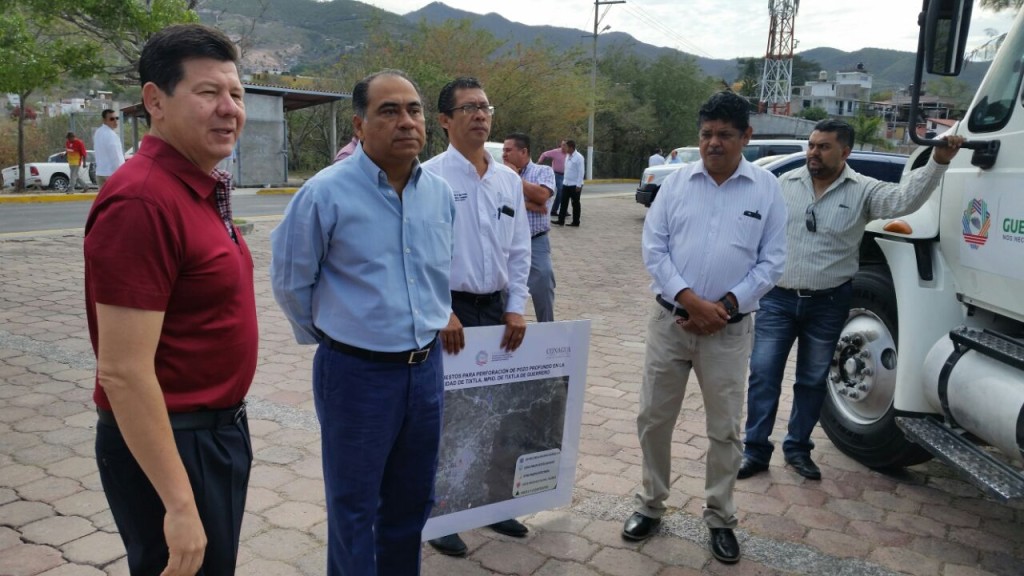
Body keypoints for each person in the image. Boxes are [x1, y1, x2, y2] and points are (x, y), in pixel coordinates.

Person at [83, 23, 255, 576]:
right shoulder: (143, 200)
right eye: (208, 93)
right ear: (154, 101)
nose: (229, 108)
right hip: (175, 445)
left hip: (214, 434)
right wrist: (180, 504)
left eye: (236, 94)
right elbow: (123, 371)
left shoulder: (198, 184)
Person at [271, 69, 455, 576]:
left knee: (413, 502)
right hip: (357, 375)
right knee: (353, 508)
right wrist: (336, 337)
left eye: (414, 110)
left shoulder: (438, 194)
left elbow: (436, 277)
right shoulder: (324, 194)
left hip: (426, 372)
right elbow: (291, 280)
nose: (406, 121)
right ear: (359, 125)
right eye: (389, 111)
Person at [739, 119, 965, 482]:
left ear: (845, 152)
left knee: (812, 380)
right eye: (811, 145)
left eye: (823, 146)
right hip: (778, 300)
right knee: (764, 375)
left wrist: (938, 160)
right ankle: (754, 450)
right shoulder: (784, 184)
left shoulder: (863, 190)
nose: (813, 152)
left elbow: (904, 199)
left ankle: (797, 448)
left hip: (828, 304)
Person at [621, 91, 787, 565]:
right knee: (653, 417)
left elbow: (773, 262)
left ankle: (720, 516)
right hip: (671, 321)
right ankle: (651, 505)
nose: (714, 143)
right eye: (707, 134)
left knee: (724, 430)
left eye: (725, 135)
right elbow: (654, 247)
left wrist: (727, 306)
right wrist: (691, 300)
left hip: (729, 330)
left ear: (746, 138)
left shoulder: (766, 189)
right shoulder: (676, 184)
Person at [423, 76, 531, 558]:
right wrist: (440, 309)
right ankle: (439, 513)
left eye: (484, 106)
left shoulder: (507, 178)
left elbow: (520, 250)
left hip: (495, 309)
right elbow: (418, 254)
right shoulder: (429, 178)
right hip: (449, 313)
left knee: (494, 407)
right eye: (467, 108)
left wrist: (515, 306)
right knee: (446, 415)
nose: (479, 115)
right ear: (445, 120)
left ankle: (490, 505)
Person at [503, 132, 556, 322]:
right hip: (507, 243)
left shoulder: (543, 172)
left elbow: (542, 196)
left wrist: (516, 178)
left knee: (544, 284)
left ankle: (547, 332)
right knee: (504, 291)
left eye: (508, 150)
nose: (504, 155)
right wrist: (530, 204)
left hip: (536, 242)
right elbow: (500, 204)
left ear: (523, 151)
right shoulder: (500, 174)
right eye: (503, 150)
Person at [552, 139, 584, 227]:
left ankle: (576, 222)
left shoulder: (579, 157)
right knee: (563, 202)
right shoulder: (567, 156)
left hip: (575, 185)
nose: (564, 148)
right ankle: (561, 220)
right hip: (566, 183)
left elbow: (581, 172)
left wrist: (578, 185)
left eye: (566, 147)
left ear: (571, 147)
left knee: (575, 203)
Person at [93, 109, 126, 189]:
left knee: (104, 200)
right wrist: (122, 173)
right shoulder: (112, 135)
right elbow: (116, 156)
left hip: (100, 172)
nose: (115, 121)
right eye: (111, 119)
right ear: (104, 120)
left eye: (116, 118)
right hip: (112, 174)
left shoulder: (98, 132)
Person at [538, 139, 567, 217]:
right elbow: (544, 154)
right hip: (557, 174)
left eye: (565, 145)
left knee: (566, 192)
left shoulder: (571, 154)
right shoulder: (556, 152)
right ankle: (554, 210)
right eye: (562, 145)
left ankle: (564, 209)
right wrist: (540, 162)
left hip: (567, 175)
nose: (563, 147)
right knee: (560, 190)